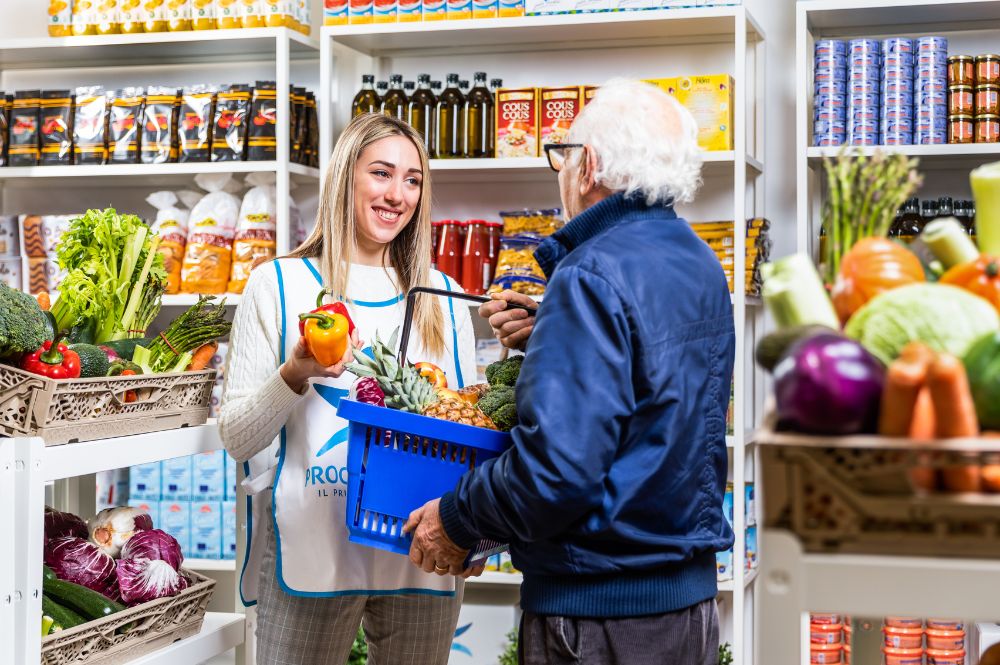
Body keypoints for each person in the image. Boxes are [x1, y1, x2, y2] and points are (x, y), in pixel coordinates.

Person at [404, 79, 736, 665]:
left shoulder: (590, 274)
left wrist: (457, 517)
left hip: (600, 614)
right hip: (688, 605)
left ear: (591, 166)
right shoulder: (698, 259)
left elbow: (555, 475)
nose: (560, 171)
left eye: (564, 155)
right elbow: (658, 399)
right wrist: (554, 339)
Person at [219, 113, 478, 665]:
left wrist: (476, 531)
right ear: (345, 178)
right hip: (310, 545)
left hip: (422, 553)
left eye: (412, 180)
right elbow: (238, 438)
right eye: (381, 173)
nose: (397, 195)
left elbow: (470, 435)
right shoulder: (279, 284)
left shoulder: (446, 299)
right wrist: (295, 375)